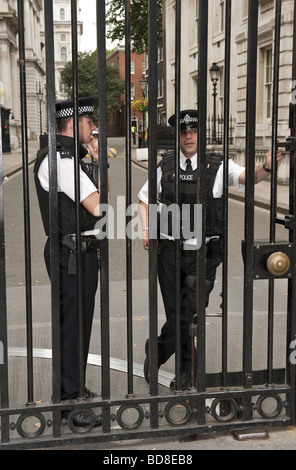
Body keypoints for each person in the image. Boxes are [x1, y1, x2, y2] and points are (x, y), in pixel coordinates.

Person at [138, 109, 282, 391]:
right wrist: (145, 229)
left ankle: (156, 350)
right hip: (168, 251)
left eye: (193, 132)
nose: (189, 136)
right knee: (174, 313)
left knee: (190, 312)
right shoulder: (164, 166)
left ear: (199, 135)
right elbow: (145, 199)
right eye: (183, 132)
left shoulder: (218, 165)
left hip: (203, 254)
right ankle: (184, 372)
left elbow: (248, 177)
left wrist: (265, 168)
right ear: (178, 137)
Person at [34, 97, 108, 427]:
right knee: (72, 327)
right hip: (70, 254)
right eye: (89, 121)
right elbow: (97, 207)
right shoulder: (60, 160)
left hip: (77, 252)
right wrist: (99, 162)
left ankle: (74, 388)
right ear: (73, 122)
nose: (93, 127)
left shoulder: (67, 158)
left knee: (79, 325)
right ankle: (68, 401)